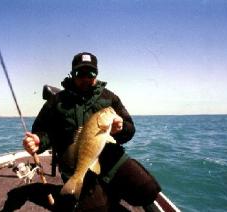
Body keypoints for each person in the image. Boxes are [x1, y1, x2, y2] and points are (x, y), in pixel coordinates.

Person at [23, 52, 161, 211]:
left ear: (96, 73)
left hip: (111, 158)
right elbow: (42, 131)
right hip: (77, 164)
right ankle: (92, 192)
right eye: (80, 73)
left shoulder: (109, 98)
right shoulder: (57, 101)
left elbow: (130, 128)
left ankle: (109, 189)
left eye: (91, 73)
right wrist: (38, 141)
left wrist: (121, 129)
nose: (86, 78)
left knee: (148, 190)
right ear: (72, 74)